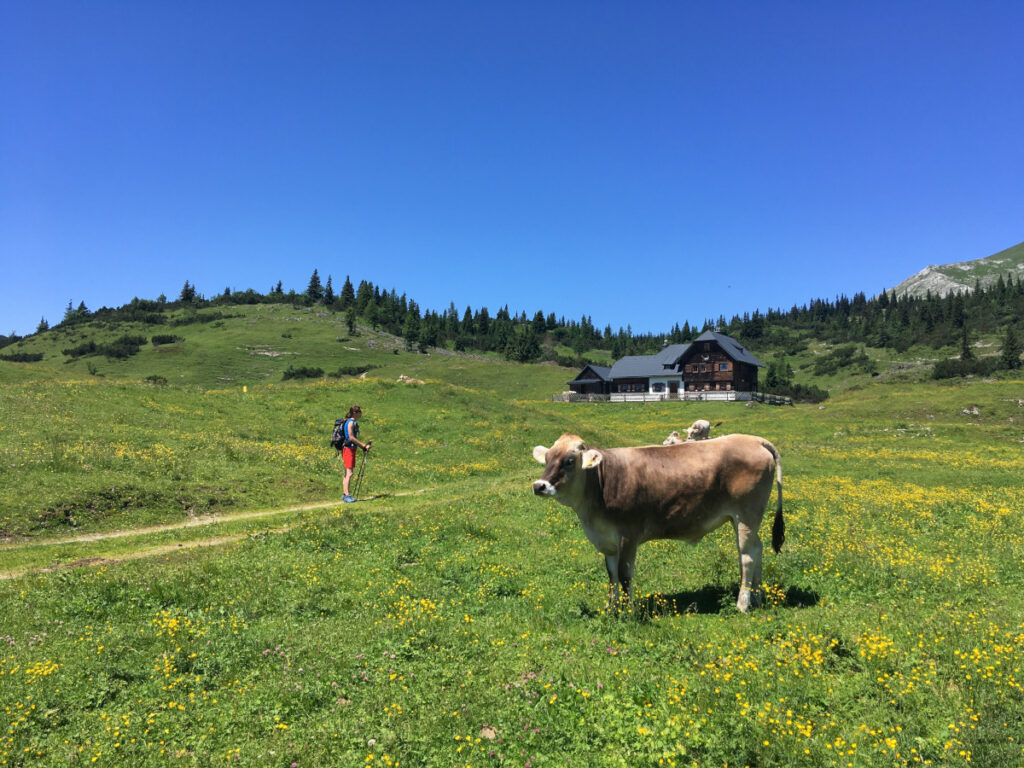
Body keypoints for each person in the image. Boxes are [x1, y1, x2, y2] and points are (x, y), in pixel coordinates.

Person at [338, 405, 371, 503]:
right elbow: (351, 437)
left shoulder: (350, 422)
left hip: (350, 449)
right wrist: (363, 446)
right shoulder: (351, 423)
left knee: (347, 473)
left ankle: (345, 494)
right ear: (355, 413)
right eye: (360, 412)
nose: (361, 413)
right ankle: (347, 495)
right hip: (348, 449)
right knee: (349, 473)